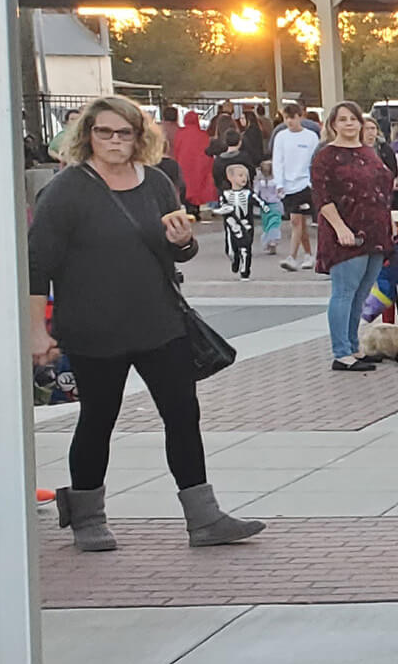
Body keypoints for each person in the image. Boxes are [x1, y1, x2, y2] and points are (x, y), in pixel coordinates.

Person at [30, 96, 262, 551]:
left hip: (160, 321)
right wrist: (36, 329)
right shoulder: (66, 191)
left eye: (124, 133)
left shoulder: (156, 182)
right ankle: (88, 517)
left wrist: (185, 242)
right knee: (98, 418)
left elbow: (177, 251)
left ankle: (204, 517)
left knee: (182, 415)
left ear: (140, 136)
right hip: (94, 328)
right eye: (105, 132)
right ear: (88, 136)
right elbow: (37, 266)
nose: (115, 141)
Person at [312, 101, 395, 374]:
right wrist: (340, 228)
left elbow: (382, 193)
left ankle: (353, 346)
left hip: (376, 231)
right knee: (344, 292)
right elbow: (322, 197)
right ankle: (341, 352)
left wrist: (389, 224)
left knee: (361, 294)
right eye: (343, 119)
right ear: (333, 124)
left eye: (353, 119)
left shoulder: (369, 152)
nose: (349, 124)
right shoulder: (326, 156)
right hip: (346, 234)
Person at [268, 101, 320, 269]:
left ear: (300, 117)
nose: (289, 121)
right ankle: (309, 254)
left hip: (305, 184)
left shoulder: (311, 137)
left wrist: (313, 182)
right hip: (288, 186)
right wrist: (279, 183)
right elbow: (278, 161)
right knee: (300, 222)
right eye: (286, 118)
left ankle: (292, 256)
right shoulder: (281, 137)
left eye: (292, 117)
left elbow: (315, 160)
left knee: (296, 221)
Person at [216, 161, 259, 280]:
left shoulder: (249, 194)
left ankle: (245, 270)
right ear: (230, 178)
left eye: (245, 176)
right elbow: (222, 206)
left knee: (245, 247)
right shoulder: (225, 194)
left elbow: (261, 203)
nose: (244, 178)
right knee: (231, 249)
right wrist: (224, 210)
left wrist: (267, 209)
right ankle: (235, 259)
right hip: (231, 225)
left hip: (246, 224)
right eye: (240, 176)